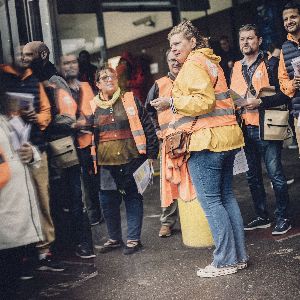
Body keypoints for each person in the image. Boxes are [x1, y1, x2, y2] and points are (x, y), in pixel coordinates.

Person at [165, 20, 248, 277]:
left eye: (178, 43)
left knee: (211, 201)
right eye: (171, 45)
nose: (174, 49)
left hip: (206, 141)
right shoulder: (211, 62)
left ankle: (224, 261)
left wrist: (174, 102)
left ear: (192, 42)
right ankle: (239, 257)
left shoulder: (192, 65)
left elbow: (204, 101)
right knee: (226, 197)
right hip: (227, 138)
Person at [23, 41, 95, 259]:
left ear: (43, 54)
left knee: (72, 198)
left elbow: (69, 118)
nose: (25, 59)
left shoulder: (55, 81)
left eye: (29, 54)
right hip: (41, 149)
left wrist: (42, 121)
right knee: (53, 200)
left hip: (61, 148)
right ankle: (64, 246)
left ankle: (82, 245)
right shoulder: (28, 80)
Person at [0, 48, 64, 272]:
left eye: (26, 55)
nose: (22, 58)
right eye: (18, 55)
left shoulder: (35, 82)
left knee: (42, 200)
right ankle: (20, 254)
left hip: (35, 147)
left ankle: (44, 251)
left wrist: (34, 117)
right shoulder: (4, 80)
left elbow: (46, 114)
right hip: (9, 153)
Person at [230, 24, 291, 235]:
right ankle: (262, 216)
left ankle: (284, 217)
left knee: (276, 175)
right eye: (242, 39)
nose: (245, 42)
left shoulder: (272, 63)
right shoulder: (236, 67)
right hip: (245, 128)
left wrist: (260, 103)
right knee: (252, 177)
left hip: (268, 125)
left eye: (249, 38)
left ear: (259, 40)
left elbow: (285, 95)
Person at [93, 66, 159, 255]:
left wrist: (151, 154)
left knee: (132, 196)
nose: (108, 79)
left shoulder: (130, 99)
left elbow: (147, 125)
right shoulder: (92, 106)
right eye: (103, 77)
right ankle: (114, 238)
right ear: (97, 84)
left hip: (132, 159)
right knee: (107, 200)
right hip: (105, 164)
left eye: (111, 76)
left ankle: (133, 240)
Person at [0, 79, 43, 299]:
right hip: (5, 224)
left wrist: (31, 154)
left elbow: (23, 153)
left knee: (13, 282)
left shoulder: (8, 121)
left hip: (16, 222)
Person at [59, 54, 103, 226]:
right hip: (68, 145)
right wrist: (73, 125)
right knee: (76, 186)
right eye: (66, 63)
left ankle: (96, 214)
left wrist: (86, 122)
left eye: (73, 62)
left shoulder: (86, 86)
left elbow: (95, 111)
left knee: (93, 180)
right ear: (60, 67)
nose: (70, 66)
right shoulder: (57, 89)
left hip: (88, 143)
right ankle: (89, 215)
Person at [145, 49, 181, 238]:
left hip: (191, 138)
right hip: (169, 140)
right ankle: (167, 222)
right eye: (171, 60)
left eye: (177, 58)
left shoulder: (190, 78)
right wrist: (157, 129)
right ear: (166, 62)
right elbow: (148, 110)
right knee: (169, 182)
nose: (175, 62)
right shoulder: (160, 84)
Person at [279, 1, 300, 153]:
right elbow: (283, 82)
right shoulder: (284, 49)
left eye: (293, 17)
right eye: (285, 19)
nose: (289, 21)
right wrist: (293, 84)